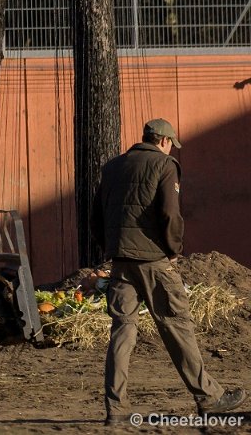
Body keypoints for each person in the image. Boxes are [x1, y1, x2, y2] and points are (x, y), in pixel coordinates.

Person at [92, 118, 246, 425]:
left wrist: (111, 248)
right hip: (153, 261)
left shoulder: (111, 168)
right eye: (170, 144)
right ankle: (210, 398)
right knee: (177, 326)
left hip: (120, 261)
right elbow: (170, 214)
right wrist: (174, 250)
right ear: (163, 141)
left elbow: (97, 216)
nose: (170, 149)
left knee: (122, 332)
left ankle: (117, 410)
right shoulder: (165, 166)